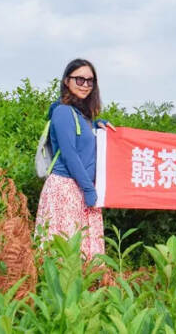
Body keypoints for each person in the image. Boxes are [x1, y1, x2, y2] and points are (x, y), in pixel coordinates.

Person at [34, 59, 108, 260]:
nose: (85, 85)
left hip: (80, 189)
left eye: (90, 81)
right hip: (66, 190)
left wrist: (96, 127)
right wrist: (89, 190)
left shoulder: (83, 116)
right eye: (79, 79)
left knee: (82, 254)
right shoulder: (63, 112)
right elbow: (70, 155)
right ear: (67, 81)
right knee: (65, 256)